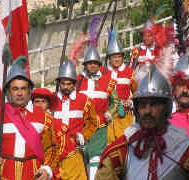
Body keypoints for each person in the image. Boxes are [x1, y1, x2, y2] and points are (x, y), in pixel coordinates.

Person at [95, 66, 189, 180]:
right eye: (142, 105)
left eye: (154, 104)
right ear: (136, 109)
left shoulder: (188, 150)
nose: (147, 111)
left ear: (166, 108)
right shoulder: (121, 150)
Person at [0, 57, 58, 180]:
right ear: (8, 91)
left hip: (34, 175)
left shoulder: (45, 118)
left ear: (29, 91)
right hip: (4, 175)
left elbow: (52, 148)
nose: (19, 93)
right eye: (15, 89)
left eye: (23, 88)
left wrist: (47, 168)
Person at [52, 60, 99, 180]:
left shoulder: (84, 100)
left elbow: (93, 122)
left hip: (75, 151)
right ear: (59, 83)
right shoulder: (51, 100)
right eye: (63, 84)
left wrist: (84, 136)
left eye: (69, 84)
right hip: (54, 153)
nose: (66, 87)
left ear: (74, 84)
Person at [76, 45, 117, 180]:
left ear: (99, 64)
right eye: (89, 63)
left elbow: (116, 102)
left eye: (95, 63)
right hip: (81, 126)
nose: (92, 65)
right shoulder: (77, 81)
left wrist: (109, 113)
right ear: (85, 64)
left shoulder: (107, 80)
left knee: (96, 158)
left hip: (100, 127)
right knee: (82, 158)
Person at [105, 30, 137, 143]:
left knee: (124, 143)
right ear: (109, 58)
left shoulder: (129, 72)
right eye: (114, 57)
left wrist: (131, 101)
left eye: (119, 56)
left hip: (125, 116)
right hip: (107, 116)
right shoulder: (103, 73)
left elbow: (137, 92)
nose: (117, 59)